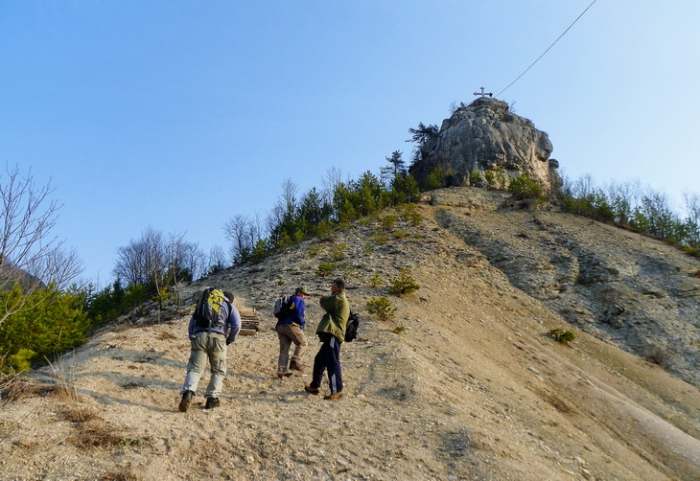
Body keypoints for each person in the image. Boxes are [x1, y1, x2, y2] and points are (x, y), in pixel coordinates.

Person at [179, 288, 240, 412]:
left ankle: (188, 392)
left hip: (199, 336)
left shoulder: (204, 302)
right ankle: (212, 399)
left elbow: (192, 323)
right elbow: (237, 325)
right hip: (218, 338)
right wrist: (230, 339)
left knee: (195, 368)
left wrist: (192, 336)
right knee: (218, 370)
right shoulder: (228, 305)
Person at [305, 278, 350, 400]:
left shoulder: (339, 298)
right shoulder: (339, 299)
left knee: (332, 362)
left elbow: (325, 302)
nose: (331, 287)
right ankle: (315, 386)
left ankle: (337, 390)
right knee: (319, 359)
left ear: (339, 288)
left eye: (333, 286)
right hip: (333, 335)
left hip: (334, 335)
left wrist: (321, 298)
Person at [276, 287, 309, 378]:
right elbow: (298, 312)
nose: (304, 296)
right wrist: (302, 323)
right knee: (303, 343)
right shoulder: (298, 299)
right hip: (290, 325)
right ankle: (295, 361)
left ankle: (281, 371)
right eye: (303, 294)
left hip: (280, 326)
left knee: (284, 349)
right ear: (298, 292)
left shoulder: (288, 299)